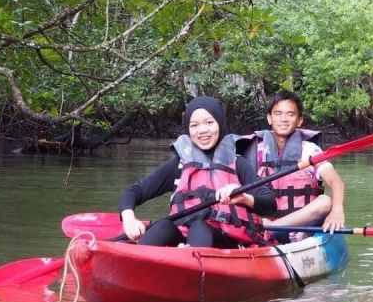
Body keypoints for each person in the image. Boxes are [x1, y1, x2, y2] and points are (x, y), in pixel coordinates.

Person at [119, 96, 277, 248]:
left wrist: (244, 198)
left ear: (220, 124)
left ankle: (191, 261)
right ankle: (141, 260)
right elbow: (133, 192)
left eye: (209, 123)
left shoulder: (238, 164)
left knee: (200, 227)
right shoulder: (179, 166)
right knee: (163, 226)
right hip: (186, 239)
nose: (202, 130)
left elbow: (270, 204)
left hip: (227, 241)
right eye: (194, 125)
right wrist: (129, 219)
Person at [244, 90, 346, 236]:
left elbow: (336, 182)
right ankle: (269, 230)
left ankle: (274, 229)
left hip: (303, 223)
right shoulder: (254, 151)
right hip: (264, 221)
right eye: (278, 113)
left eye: (290, 114)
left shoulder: (310, 151)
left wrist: (337, 210)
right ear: (269, 118)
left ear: (299, 120)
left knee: (325, 201)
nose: (283, 119)